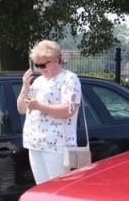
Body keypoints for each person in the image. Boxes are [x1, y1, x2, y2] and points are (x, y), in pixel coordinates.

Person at [16, 40, 82, 184]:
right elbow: (22, 109)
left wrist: (39, 106)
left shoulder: (69, 79)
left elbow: (68, 110)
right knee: (41, 188)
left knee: (57, 188)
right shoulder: (39, 81)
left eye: (43, 65)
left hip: (56, 144)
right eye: (37, 65)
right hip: (34, 143)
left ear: (56, 61)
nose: (40, 68)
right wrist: (25, 87)